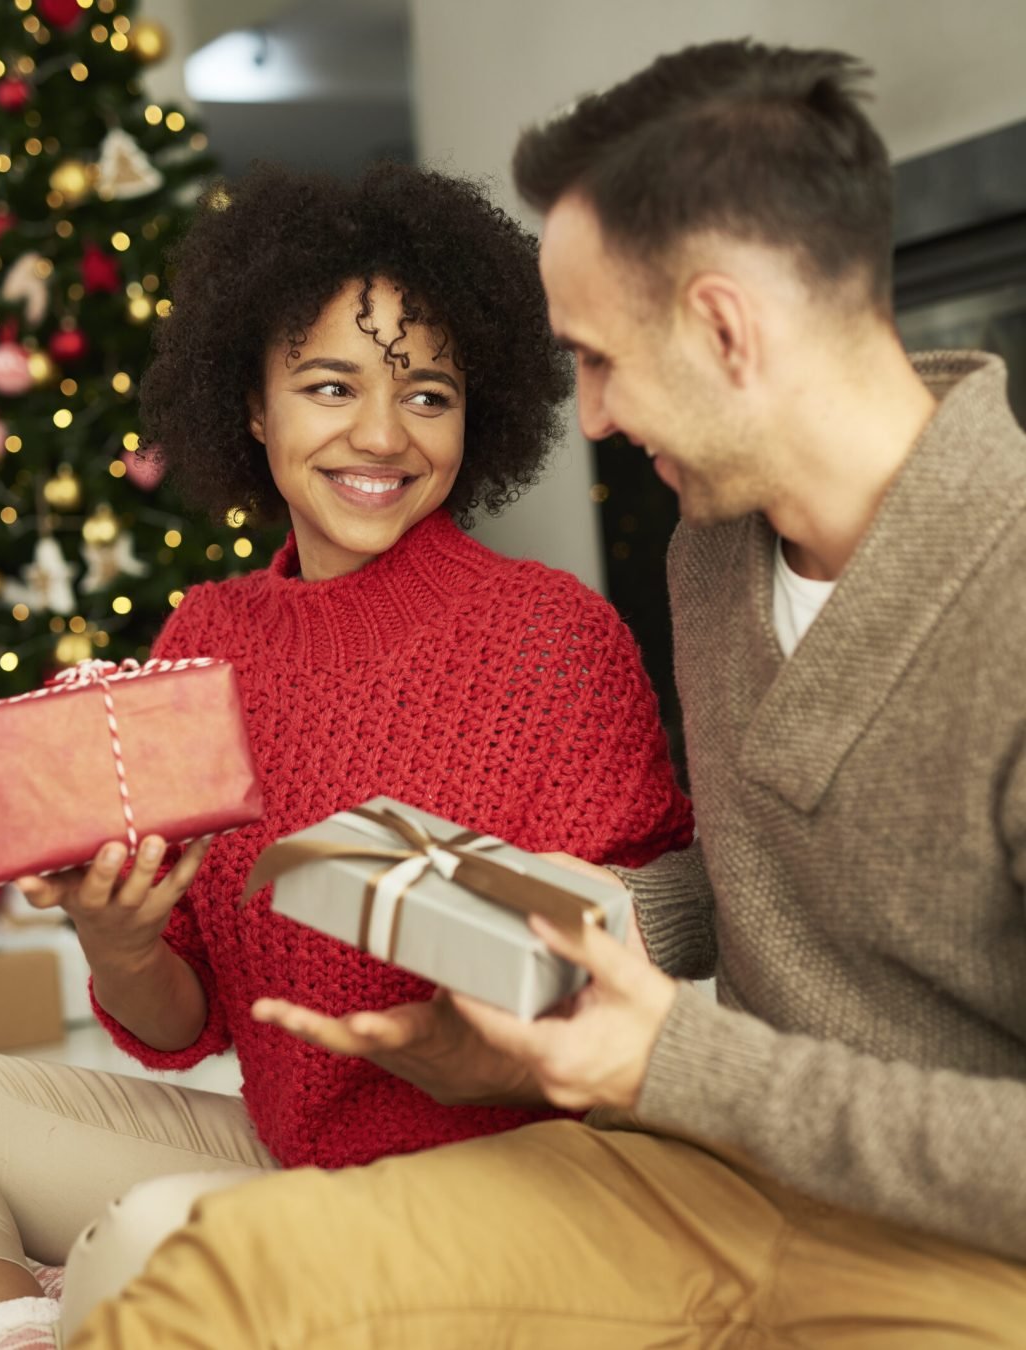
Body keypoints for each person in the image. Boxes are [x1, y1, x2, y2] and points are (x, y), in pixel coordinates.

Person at [63, 38, 1026, 1349]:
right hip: (706, 1173)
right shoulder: (714, 558)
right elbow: (773, 873)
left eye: (602, 360)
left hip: (957, 1248)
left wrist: (660, 1055)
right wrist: (549, 909)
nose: (599, 420)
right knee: (198, 1283)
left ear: (723, 327)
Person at [0, 160, 693, 1342]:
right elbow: (178, 1019)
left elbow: (654, 972)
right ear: (253, 404)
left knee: (142, 1245)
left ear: (479, 410)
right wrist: (117, 936)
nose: (382, 435)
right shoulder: (209, 639)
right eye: (331, 385)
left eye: (430, 394)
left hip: (512, 1189)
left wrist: (505, 963)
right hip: (287, 1152)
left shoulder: (551, 638)